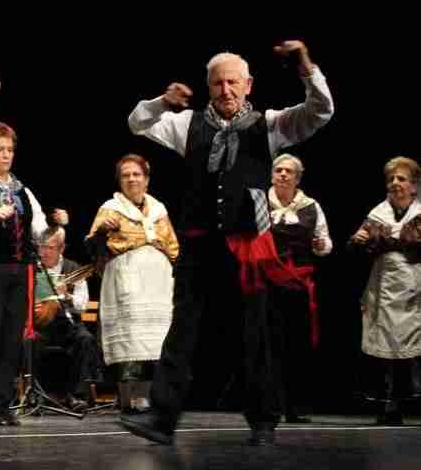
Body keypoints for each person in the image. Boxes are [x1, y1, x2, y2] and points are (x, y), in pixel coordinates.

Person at [122, 41, 333, 446]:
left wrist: (306, 66)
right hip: (200, 244)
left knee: (255, 333)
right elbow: (137, 122)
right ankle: (162, 418)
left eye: (233, 82)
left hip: (246, 246)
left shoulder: (268, 125)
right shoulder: (187, 125)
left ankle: (264, 419)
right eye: (218, 83)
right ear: (209, 87)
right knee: (183, 331)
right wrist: (163, 102)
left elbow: (320, 111)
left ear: (248, 85)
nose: (226, 90)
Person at [0, 121, 68, 426]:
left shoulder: (22, 190)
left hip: (18, 271)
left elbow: (39, 230)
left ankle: (4, 402)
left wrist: (55, 223)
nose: (6, 155)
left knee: (10, 338)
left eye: (10, 150)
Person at [85, 154, 178, 416]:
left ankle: (150, 397)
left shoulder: (159, 210)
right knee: (130, 339)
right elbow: (91, 247)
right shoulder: (110, 209)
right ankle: (128, 399)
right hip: (126, 278)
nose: (131, 179)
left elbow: (173, 247)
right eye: (126, 175)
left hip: (157, 281)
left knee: (155, 340)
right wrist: (102, 231)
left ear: (146, 179)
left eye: (136, 174)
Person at [349, 156, 421, 426]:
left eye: (401, 178)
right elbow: (354, 248)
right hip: (382, 286)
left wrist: (390, 240)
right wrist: (357, 240)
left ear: (414, 186)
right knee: (384, 346)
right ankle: (388, 404)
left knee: (412, 344)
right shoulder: (378, 213)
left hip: (414, 287)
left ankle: (410, 400)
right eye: (391, 179)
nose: (395, 183)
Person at [267, 153, 332, 423]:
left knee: (296, 346)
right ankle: (268, 407)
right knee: (269, 345)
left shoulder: (311, 206)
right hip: (267, 283)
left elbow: (325, 243)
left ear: (298, 178)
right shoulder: (261, 204)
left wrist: (321, 246)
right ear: (272, 175)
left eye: (289, 171)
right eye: (278, 170)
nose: (283, 174)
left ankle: (294, 407)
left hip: (297, 284)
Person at [33, 226, 99, 412]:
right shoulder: (32, 268)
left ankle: (77, 396)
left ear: (62, 248)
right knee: (28, 341)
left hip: (67, 323)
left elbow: (82, 305)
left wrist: (67, 296)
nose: (44, 252)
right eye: (41, 247)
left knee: (85, 339)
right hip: (41, 324)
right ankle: (37, 394)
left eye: (50, 247)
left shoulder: (73, 269)